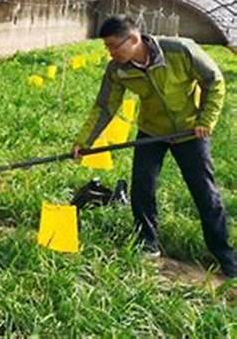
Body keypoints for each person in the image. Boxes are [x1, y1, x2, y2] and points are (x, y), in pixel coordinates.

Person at [73, 15, 236, 277]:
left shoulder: (179, 50)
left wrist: (205, 119)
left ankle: (225, 255)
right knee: (142, 187)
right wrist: (84, 142)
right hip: (151, 131)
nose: (111, 53)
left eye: (114, 46)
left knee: (205, 193)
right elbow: (105, 107)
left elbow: (214, 81)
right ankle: (147, 244)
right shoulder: (117, 69)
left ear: (134, 39)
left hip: (190, 132)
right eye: (107, 47)